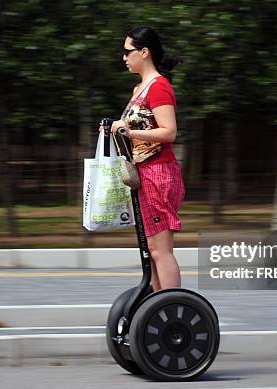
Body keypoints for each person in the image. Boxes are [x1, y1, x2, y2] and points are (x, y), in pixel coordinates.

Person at [98, 26, 184, 292]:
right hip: (143, 175)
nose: (124, 57)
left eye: (127, 51)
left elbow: (169, 131)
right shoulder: (140, 89)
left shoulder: (158, 87)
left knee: (161, 251)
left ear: (144, 52)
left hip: (159, 174)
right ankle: (158, 307)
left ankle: (171, 306)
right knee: (151, 250)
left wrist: (129, 131)